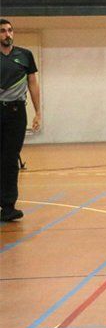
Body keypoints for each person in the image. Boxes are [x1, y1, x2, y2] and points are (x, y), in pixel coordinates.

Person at [0, 19, 41, 222]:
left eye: (9, 30)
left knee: (10, 159)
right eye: (2, 31)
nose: (7, 34)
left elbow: (33, 83)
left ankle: (8, 206)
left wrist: (38, 112)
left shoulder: (25, 55)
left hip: (16, 113)